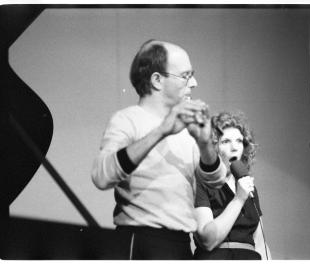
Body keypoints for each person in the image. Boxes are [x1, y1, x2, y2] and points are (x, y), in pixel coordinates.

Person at [91, 39, 227, 260]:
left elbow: (216, 182)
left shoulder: (187, 129)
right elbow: (101, 176)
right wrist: (161, 131)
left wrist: (204, 144)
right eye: (186, 75)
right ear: (157, 80)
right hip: (141, 242)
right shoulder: (127, 119)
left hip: (181, 244)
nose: (194, 82)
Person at [193, 111, 271, 260]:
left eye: (239, 141)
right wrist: (239, 199)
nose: (234, 147)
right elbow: (207, 240)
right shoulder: (202, 181)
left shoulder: (249, 187)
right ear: (213, 148)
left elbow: (260, 243)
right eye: (226, 141)